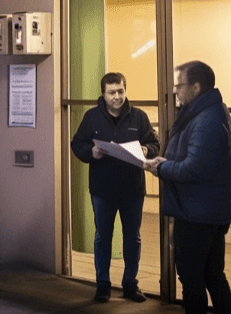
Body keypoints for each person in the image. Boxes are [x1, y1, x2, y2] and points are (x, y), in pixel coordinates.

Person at [144, 60, 231, 314]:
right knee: (213, 274)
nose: (175, 91)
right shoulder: (207, 112)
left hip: (198, 212)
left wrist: (160, 168)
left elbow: (194, 168)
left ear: (195, 87)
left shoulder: (206, 119)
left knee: (194, 278)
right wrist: (166, 161)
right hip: (205, 209)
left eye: (179, 86)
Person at [71, 72, 159, 303]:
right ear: (103, 94)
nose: (117, 97)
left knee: (133, 237)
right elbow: (77, 143)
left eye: (120, 91)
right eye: (112, 93)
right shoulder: (92, 117)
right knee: (103, 237)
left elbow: (154, 142)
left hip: (133, 190)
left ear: (125, 90)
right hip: (103, 191)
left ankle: (130, 284)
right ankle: (103, 284)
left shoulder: (138, 117)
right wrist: (91, 152)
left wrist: (147, 150)